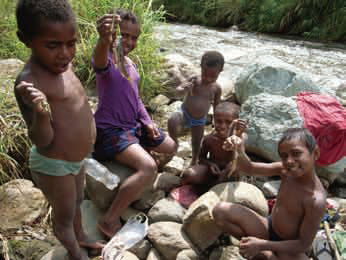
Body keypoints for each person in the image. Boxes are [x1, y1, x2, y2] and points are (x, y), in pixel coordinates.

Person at [14, 0, 103, 259]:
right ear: (26, 40)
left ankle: (82, 236)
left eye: (71, 43)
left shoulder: (64, 65)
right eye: (53, 45)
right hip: (55, 164)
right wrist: (41, 114)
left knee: (77, 203)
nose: (65, 53)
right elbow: (43, 140)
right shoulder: (29, 82)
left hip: (77, 159)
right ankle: (74, 251)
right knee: (64, 215)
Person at [92, 9, 176, 238]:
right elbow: (99, 61)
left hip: (132, 126)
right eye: (124, 36)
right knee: (149, 168)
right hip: (110, 130)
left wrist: (148, 122)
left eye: (134, 37)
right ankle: (108, 219)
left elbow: (136, 98)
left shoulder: (130, 64)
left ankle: (139, 155)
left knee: (170, 146)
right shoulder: (107, 59)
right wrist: (103, 39)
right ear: (112, 36)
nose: (129, 41)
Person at [212, 128, 327, 260]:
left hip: (289, 248)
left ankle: (263, 252)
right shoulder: (285, 171)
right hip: (268, 228)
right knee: (220, 211)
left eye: (296, 153)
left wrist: (262, 245)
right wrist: (238, 149)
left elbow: (303, 245)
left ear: (315, 153)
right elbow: (249, 167)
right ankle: (262, 252)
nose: (289, 161)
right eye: (284, 156)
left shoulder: (315, 200)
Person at [167, 51, 224, 165]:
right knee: (172, 120)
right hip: (184, 113)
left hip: (199, 120)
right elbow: (178, 91)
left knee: (197, 141)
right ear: (201, 67)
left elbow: (217, 106)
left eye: (212, 76)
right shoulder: (195, 80)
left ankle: (194, 160)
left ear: (220, 71)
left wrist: (216, 121)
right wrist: (183, 89)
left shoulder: (216, 88)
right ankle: (174, 143)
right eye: (204, 73)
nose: (207, 78)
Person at [181, 102, 247, 194]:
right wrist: (210, 164)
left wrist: (238, 135)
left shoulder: (240, 138)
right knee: (188, 174)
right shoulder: (210, 139)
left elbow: (240, 159)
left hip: (230, 175)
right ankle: (184, 190)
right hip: (212, 171)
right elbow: (201, 158)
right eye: (218, 121)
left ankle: (212, 191)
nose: (223, 126)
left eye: (228, 122)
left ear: (237, 122)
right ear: (213, 121)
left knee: (231, 168)